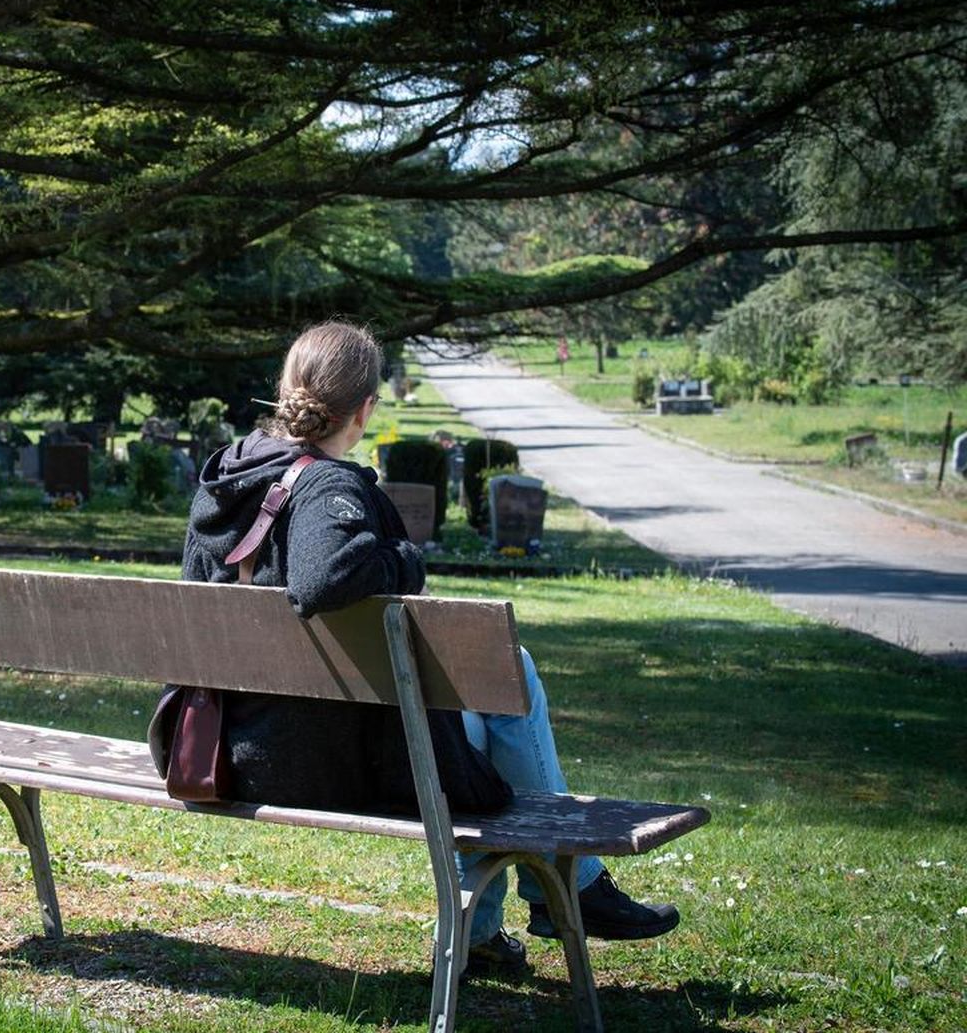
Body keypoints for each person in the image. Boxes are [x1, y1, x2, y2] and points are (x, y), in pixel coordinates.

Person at [160, 319, 679, 975]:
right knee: (505, 680)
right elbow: (326, 576)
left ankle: (488, 933)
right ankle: (571, 888)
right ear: (367, 407)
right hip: (317, 764)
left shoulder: (227, 476)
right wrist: (405, 559)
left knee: (484, 705)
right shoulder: (325, 485)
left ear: (286, 389)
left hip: (227, 750)